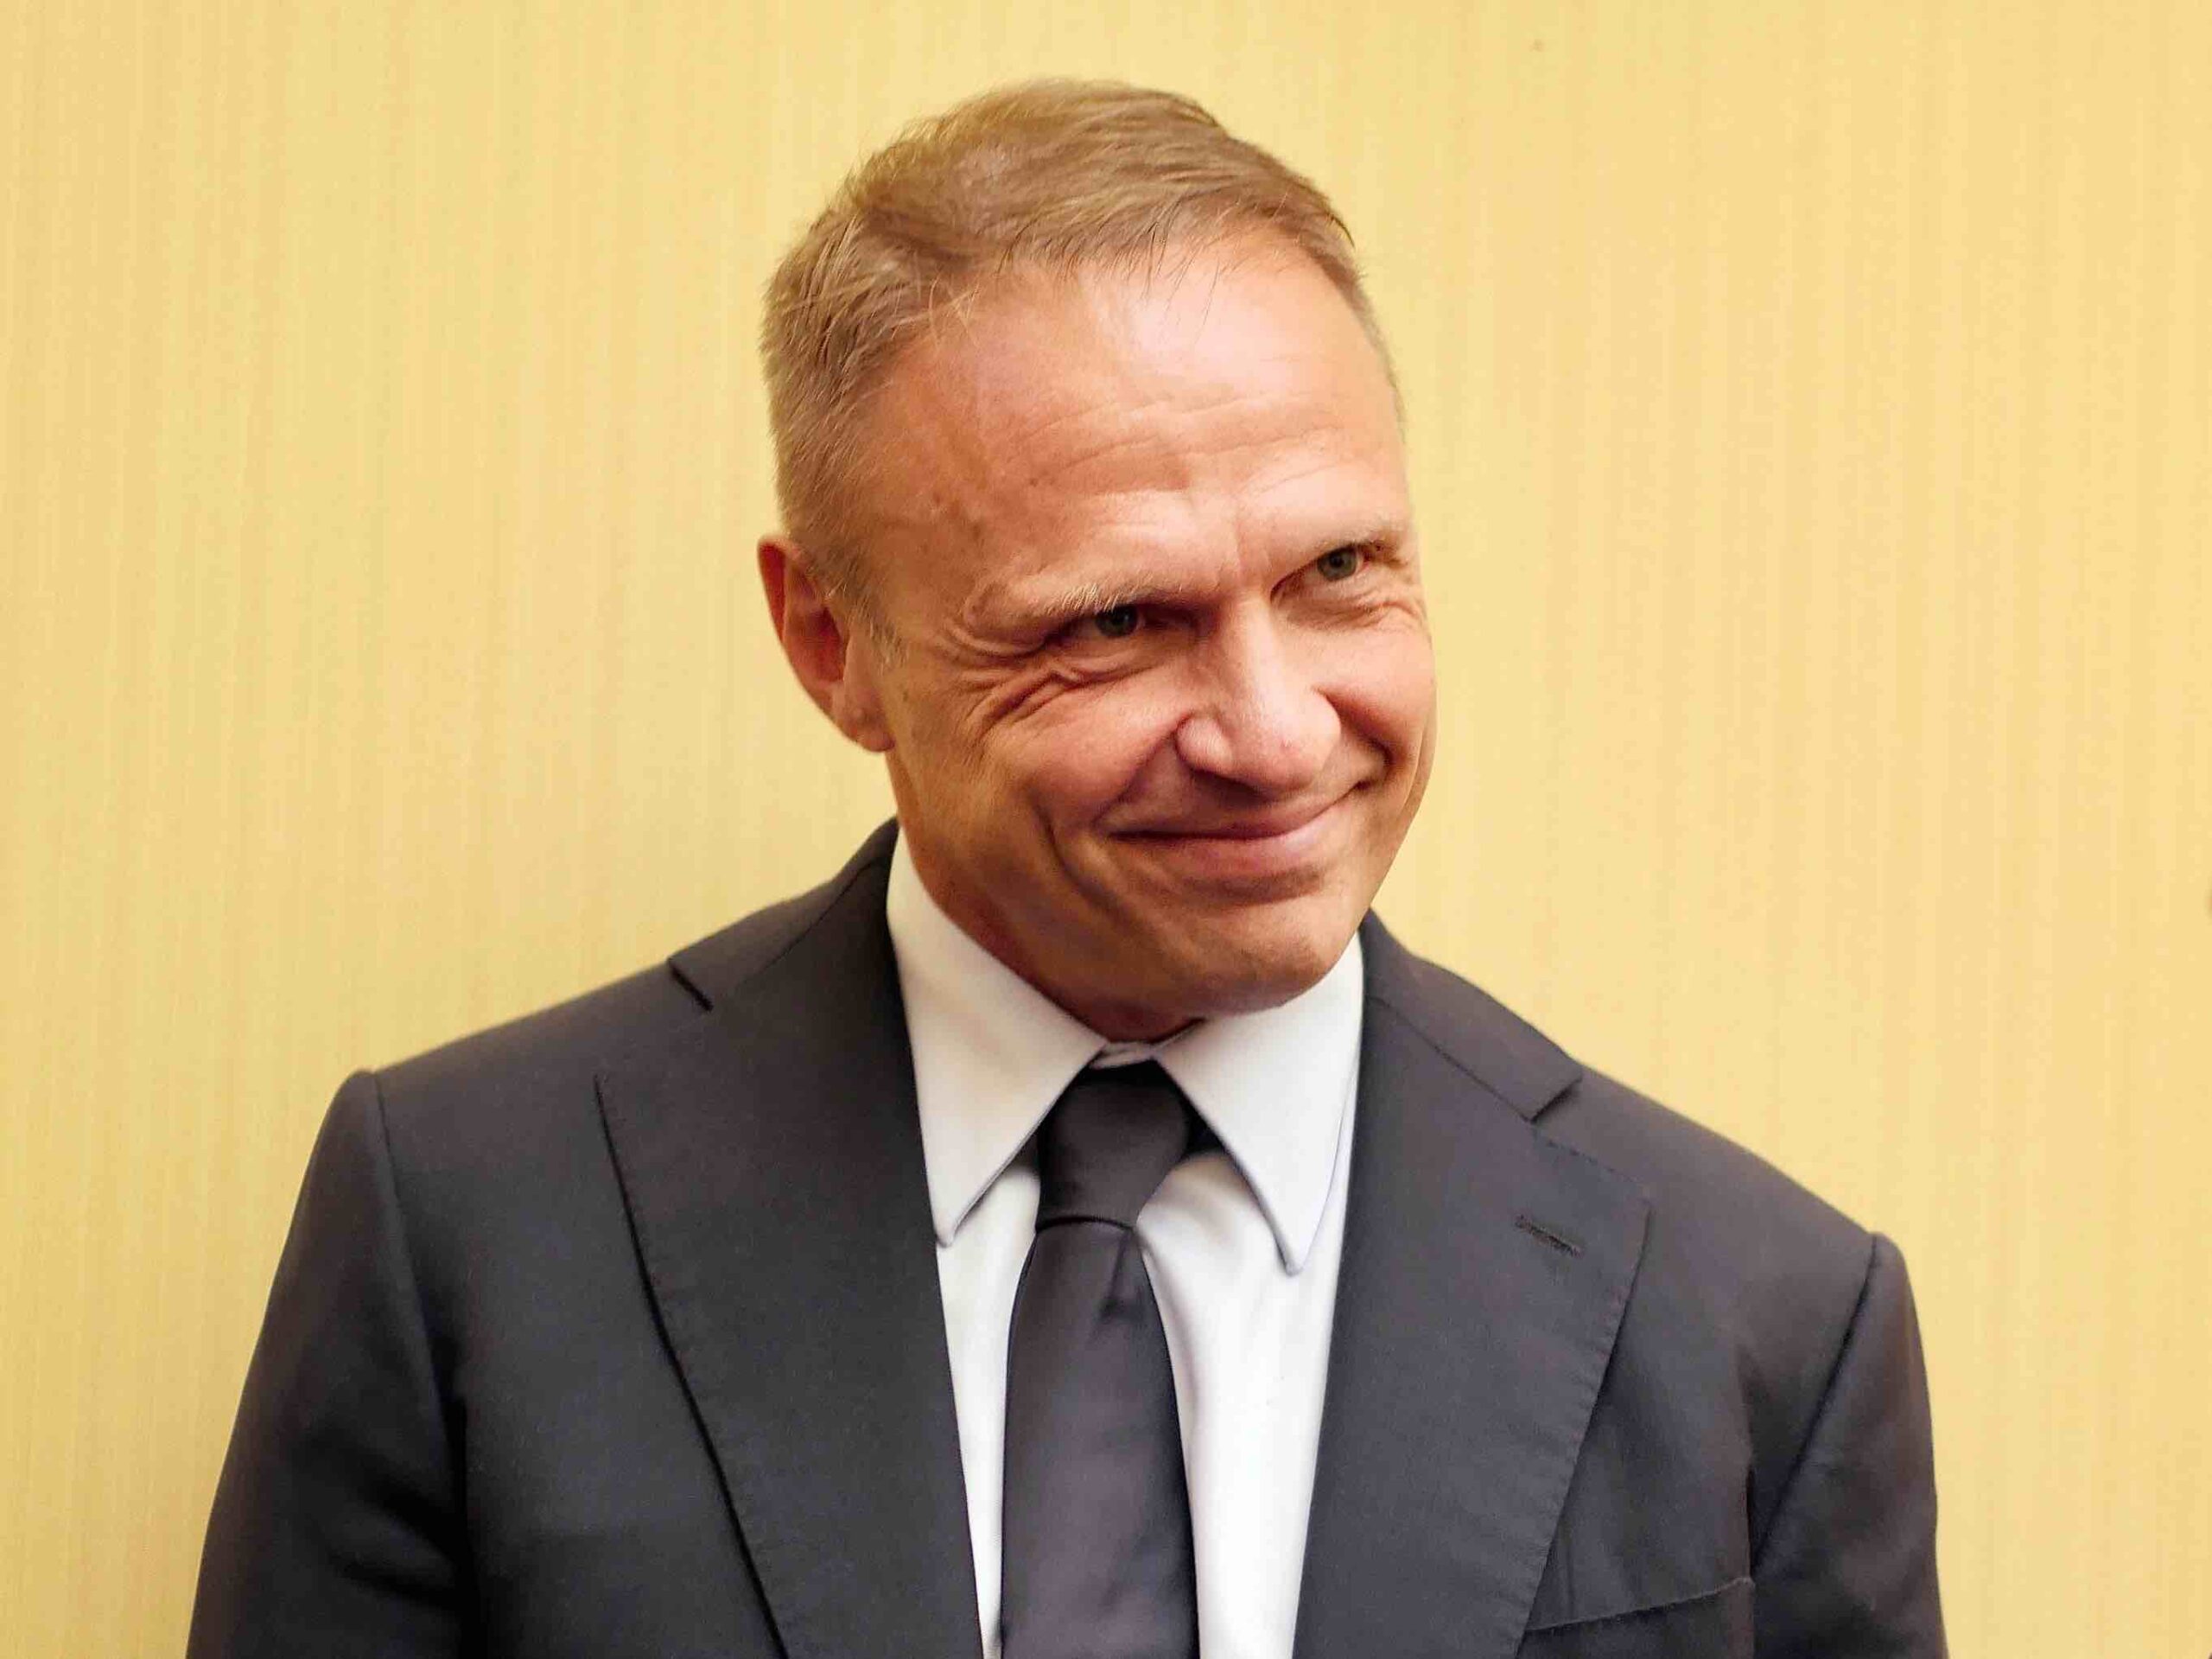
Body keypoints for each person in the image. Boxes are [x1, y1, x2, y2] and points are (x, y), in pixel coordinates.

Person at [188, 80, 1944, 1659]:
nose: (1273, 734)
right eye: (1115, 621)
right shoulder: (470, 1232)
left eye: (1339, 570)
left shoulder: (1763, 1320)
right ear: (830, 643)